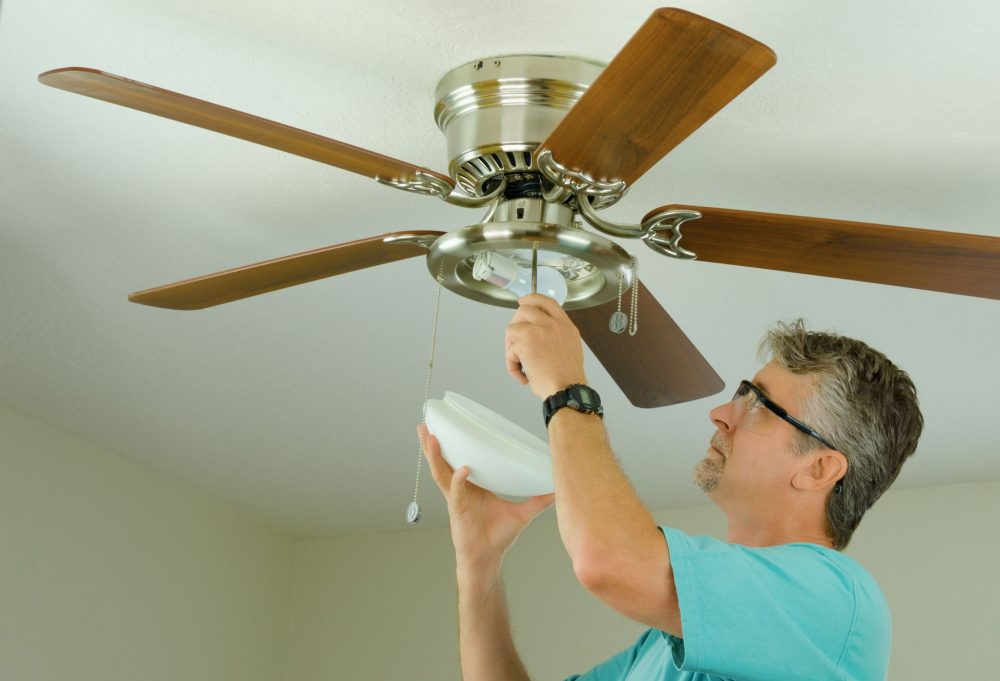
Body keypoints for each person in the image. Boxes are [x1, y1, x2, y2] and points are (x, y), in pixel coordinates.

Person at [418, 293, 922, 681]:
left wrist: (566, 388)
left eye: (757, 405)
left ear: (818, 469)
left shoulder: (836, 600)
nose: (722, 414)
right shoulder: (668, 644)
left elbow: (605, 561)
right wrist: (479, 566)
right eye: (739, 395)